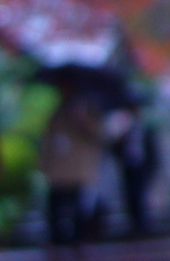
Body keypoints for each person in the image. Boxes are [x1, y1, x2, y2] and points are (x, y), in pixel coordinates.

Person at [38, 91, 106, 246]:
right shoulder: (57, 114)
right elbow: (49, 139)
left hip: (78, 171)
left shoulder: (90, 113)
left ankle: (79, 237)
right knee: (56, 207)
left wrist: (82, 120)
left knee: (78, 209)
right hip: (58, 171)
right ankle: (58, 238)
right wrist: (44, 164)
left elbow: (99, 136)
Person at [111, 101, 159, 236]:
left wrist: (153, 169)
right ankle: (135, 221)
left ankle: (144, 222)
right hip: (129, 167)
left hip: (142, 167)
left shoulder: (146, 130)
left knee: (142, 194)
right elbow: (115, 149)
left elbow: (153, 151)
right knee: (130, 194)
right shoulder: (124, 130)